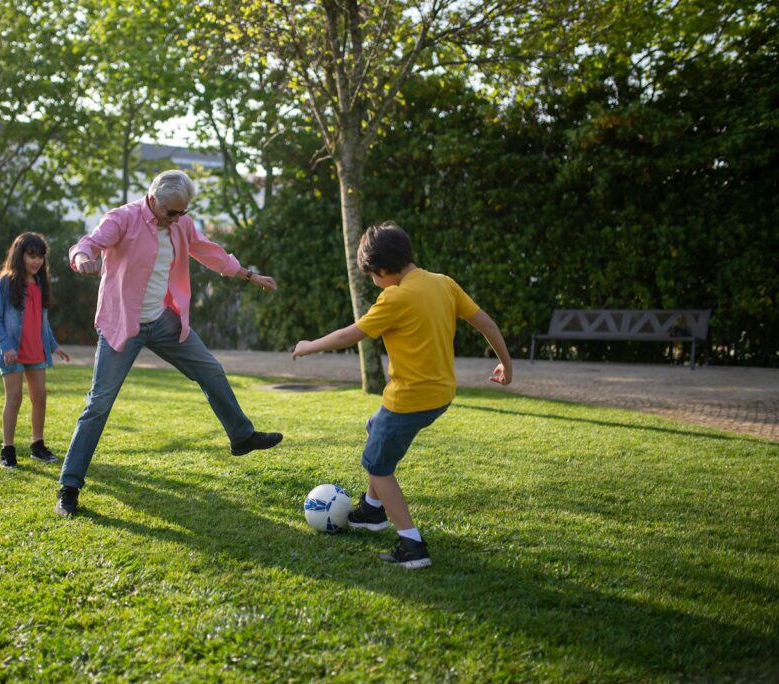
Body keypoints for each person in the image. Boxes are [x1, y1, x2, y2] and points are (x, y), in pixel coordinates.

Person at [55, 170, 283, 516]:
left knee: (210, 369)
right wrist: (80, 258)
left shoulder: (181, 225)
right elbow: (88, 243)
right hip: (123, 325)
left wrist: (248, 275)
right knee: (99, 404)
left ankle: (241, 436)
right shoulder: (124, 219)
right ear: (152, 199)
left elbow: (209, 252)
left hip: (163, 320)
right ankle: (69, 487)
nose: (177, 219)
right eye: (172, 212)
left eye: (183, 212)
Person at [292, 221, 512, 569]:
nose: (374, 282)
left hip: (409, 399)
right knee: (373, 427)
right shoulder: (444, 283)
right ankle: (371, 511)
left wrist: (308, 346)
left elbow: (349, 336)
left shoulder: (395, 297)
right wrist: (506, 364)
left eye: (372, 276)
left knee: (378, 466)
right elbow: (486, 323)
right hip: (441, 394)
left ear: (382, 270)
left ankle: (412, 546)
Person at [0, 232, 71, 469]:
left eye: (40, 257)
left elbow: (41, 321)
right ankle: (7, 449)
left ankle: (37, 446)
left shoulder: (39, 283)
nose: (36, 262)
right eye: (31, 256)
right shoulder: (6, 282)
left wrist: (54, 346)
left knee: (40, 396)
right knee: (14, 398)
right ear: (19, 255)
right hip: (11, 351)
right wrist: (6, 346)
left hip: (36, 349)